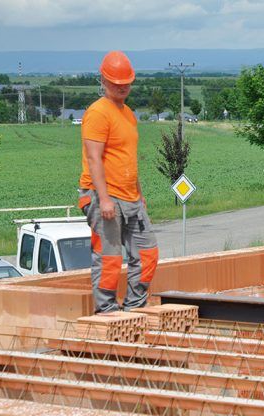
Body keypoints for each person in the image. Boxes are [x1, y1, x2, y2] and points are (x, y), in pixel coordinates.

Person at [78, 50, 159, 313]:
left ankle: (134, 309)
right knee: (110, 258)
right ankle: (107, 314)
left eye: (126, 83)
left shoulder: (128, 113)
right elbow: (94, 157)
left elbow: (127, 158)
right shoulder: (98, 113)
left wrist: (139, 194)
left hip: (130, 197)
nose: (122, 87)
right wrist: (103, 198)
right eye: (116, 83)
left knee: (148, 254)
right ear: (103, 80)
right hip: (105, 196)